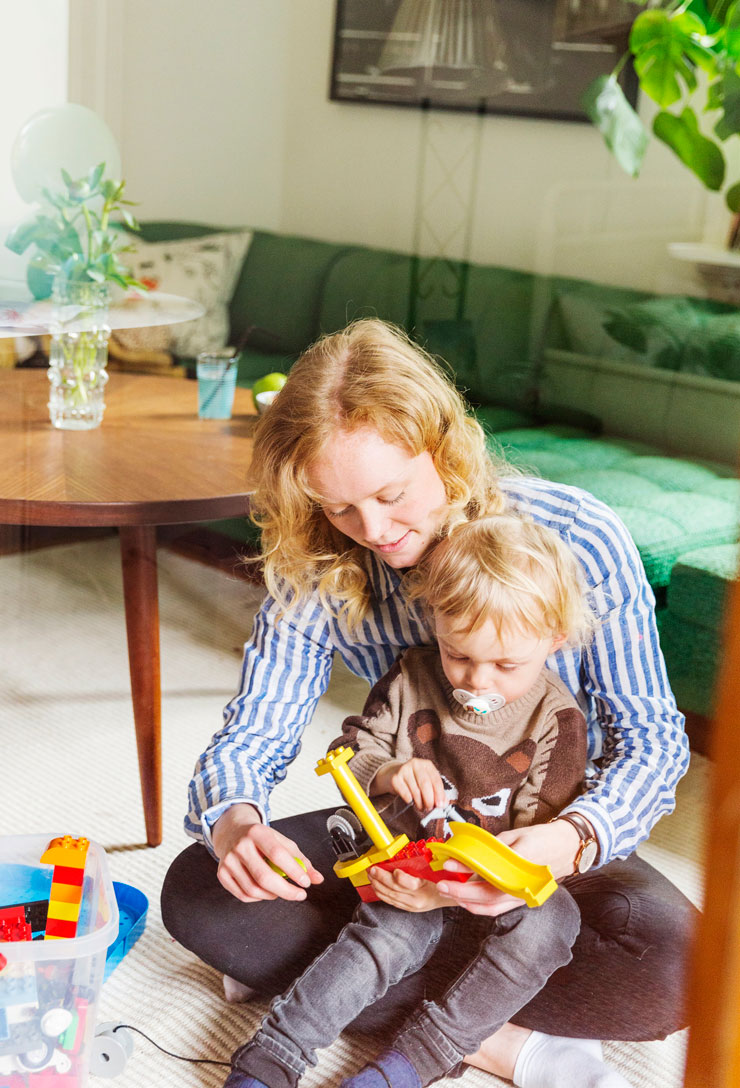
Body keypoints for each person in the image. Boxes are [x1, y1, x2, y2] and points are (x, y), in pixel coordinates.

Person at [161, 319, 696, 1088]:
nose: (373, 531)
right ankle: (489, 1030)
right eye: (339, 507)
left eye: (391, 495)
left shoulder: (577, 537)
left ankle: (353, 982)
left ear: (444, 450)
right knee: (200, 891)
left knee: (683, 968)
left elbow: (650, 740)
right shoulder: (321, 562)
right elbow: (256, 732)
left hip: (542, 837)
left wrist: (565, 843)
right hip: (407, 835)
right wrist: (237, 825)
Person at [222, 513, 600, 1088]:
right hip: (406, 867)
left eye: (506, 665)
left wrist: (450, 889)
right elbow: (353, 752)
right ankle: (271, 1057)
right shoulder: (410, 678)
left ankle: (410, 1065)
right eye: (458, 654)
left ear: (554, 640)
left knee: (555, 922)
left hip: (489, 884)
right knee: (386, 936)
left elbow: (533, 852)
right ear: (435, 622)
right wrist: (390, 772)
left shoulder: (556, 720)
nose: (477, 683)